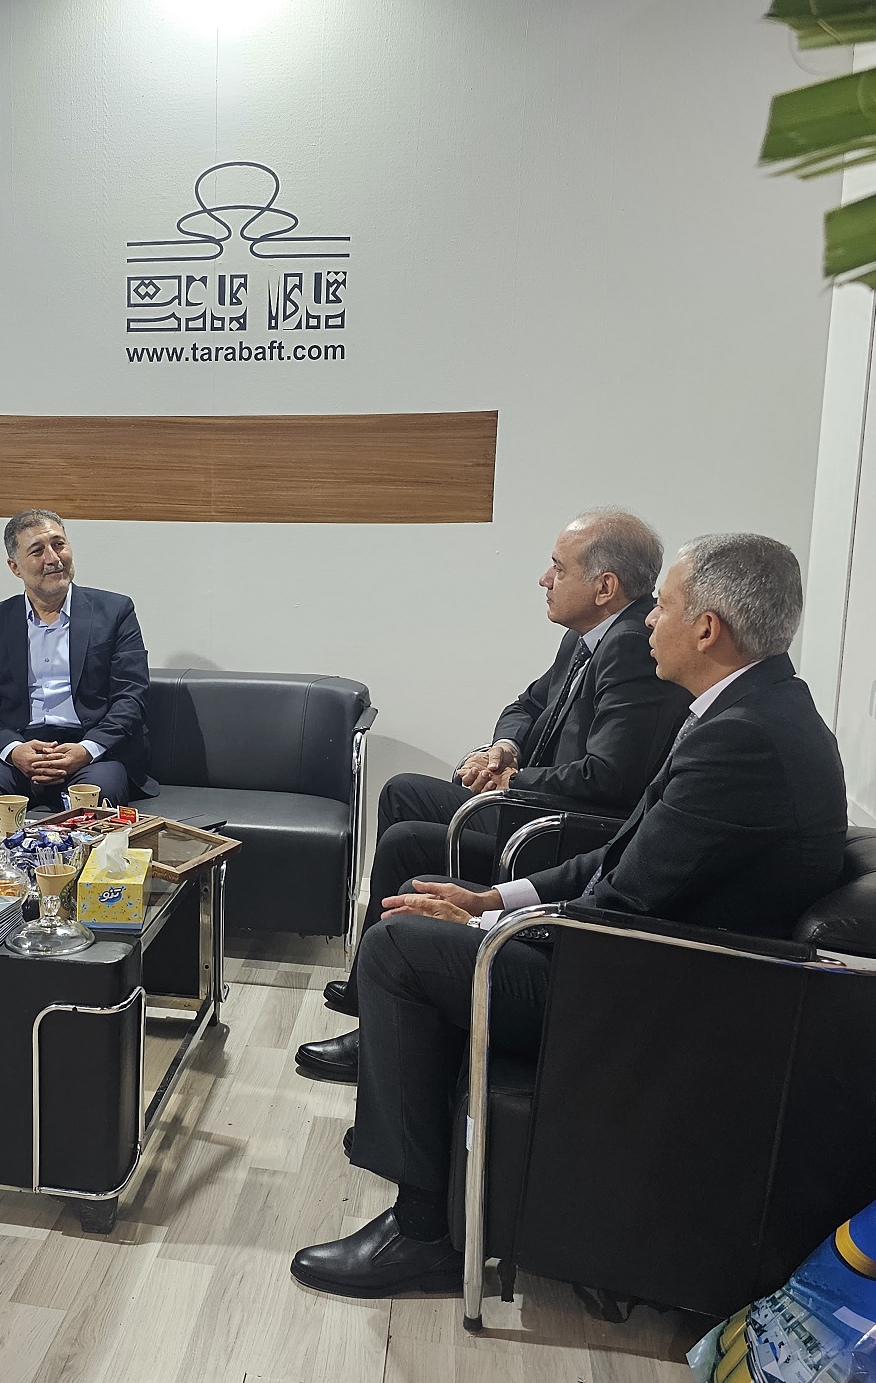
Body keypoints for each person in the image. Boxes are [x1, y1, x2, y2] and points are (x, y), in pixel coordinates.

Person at [289, 533, 847, 1298]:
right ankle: (424, 1175)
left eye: (665, 607)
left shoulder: (743, 740)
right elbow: (621, 856)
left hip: (652, 994)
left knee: (399, 949)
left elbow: (622, 900)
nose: (649, 621)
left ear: (707, 628)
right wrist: (490, 900)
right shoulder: (751, 711)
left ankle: (422, 1234)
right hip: (644, 960)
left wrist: (482, 931)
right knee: (422, 910)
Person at [302, 509, 689, 1080]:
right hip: (534, 804)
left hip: (558, 829)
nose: (544, 579)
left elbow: (610, 777)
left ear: (604, 587)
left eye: (558, 568)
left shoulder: (631, 646)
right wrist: (504, 749)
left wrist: (515, 782)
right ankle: (371, 992)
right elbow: (526, 705)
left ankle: (379, 1020)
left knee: (408, 839)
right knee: (404, 793)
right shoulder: (585, 638)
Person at [0, 508, 154, 833]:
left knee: (100, 790)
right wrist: (13, 750)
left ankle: (83, 870)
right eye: (37, 551)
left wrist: (87, 749)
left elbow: (132, 695)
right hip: (17, 744)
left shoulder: (115, 611)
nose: (53, 558)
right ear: (15, 567)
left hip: (89, 748)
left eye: (59, 545)